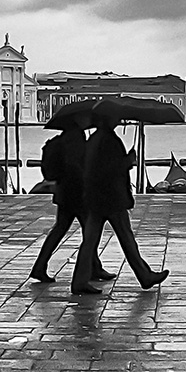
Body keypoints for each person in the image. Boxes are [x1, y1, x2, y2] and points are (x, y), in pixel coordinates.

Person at [71, 115, 169, 295]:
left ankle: (80, 280)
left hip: (95, 198)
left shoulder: (94, 139)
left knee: (90, 241)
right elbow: (110, 169)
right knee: (126, 237)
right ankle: (144, 276)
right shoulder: (108, 141)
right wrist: (128, 160)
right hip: (111, 198)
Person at [30, 116, 113, 284]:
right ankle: (93, 268)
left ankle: (40, 266)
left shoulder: (61, 141)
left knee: (64, 230)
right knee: (89, 232)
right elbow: (77, 166)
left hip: (64, 192)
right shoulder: (76, 139)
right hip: (77, 193)